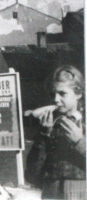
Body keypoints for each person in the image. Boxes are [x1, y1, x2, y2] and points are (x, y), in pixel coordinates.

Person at [26, 65, 85, 200]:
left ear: (78, 94)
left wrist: (79, 141)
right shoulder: (49, 123)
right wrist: (43, 136)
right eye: (52, 94)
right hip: (51, 191)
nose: (55, 99)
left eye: (62, 93)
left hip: (81, 190)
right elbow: (32, 173)